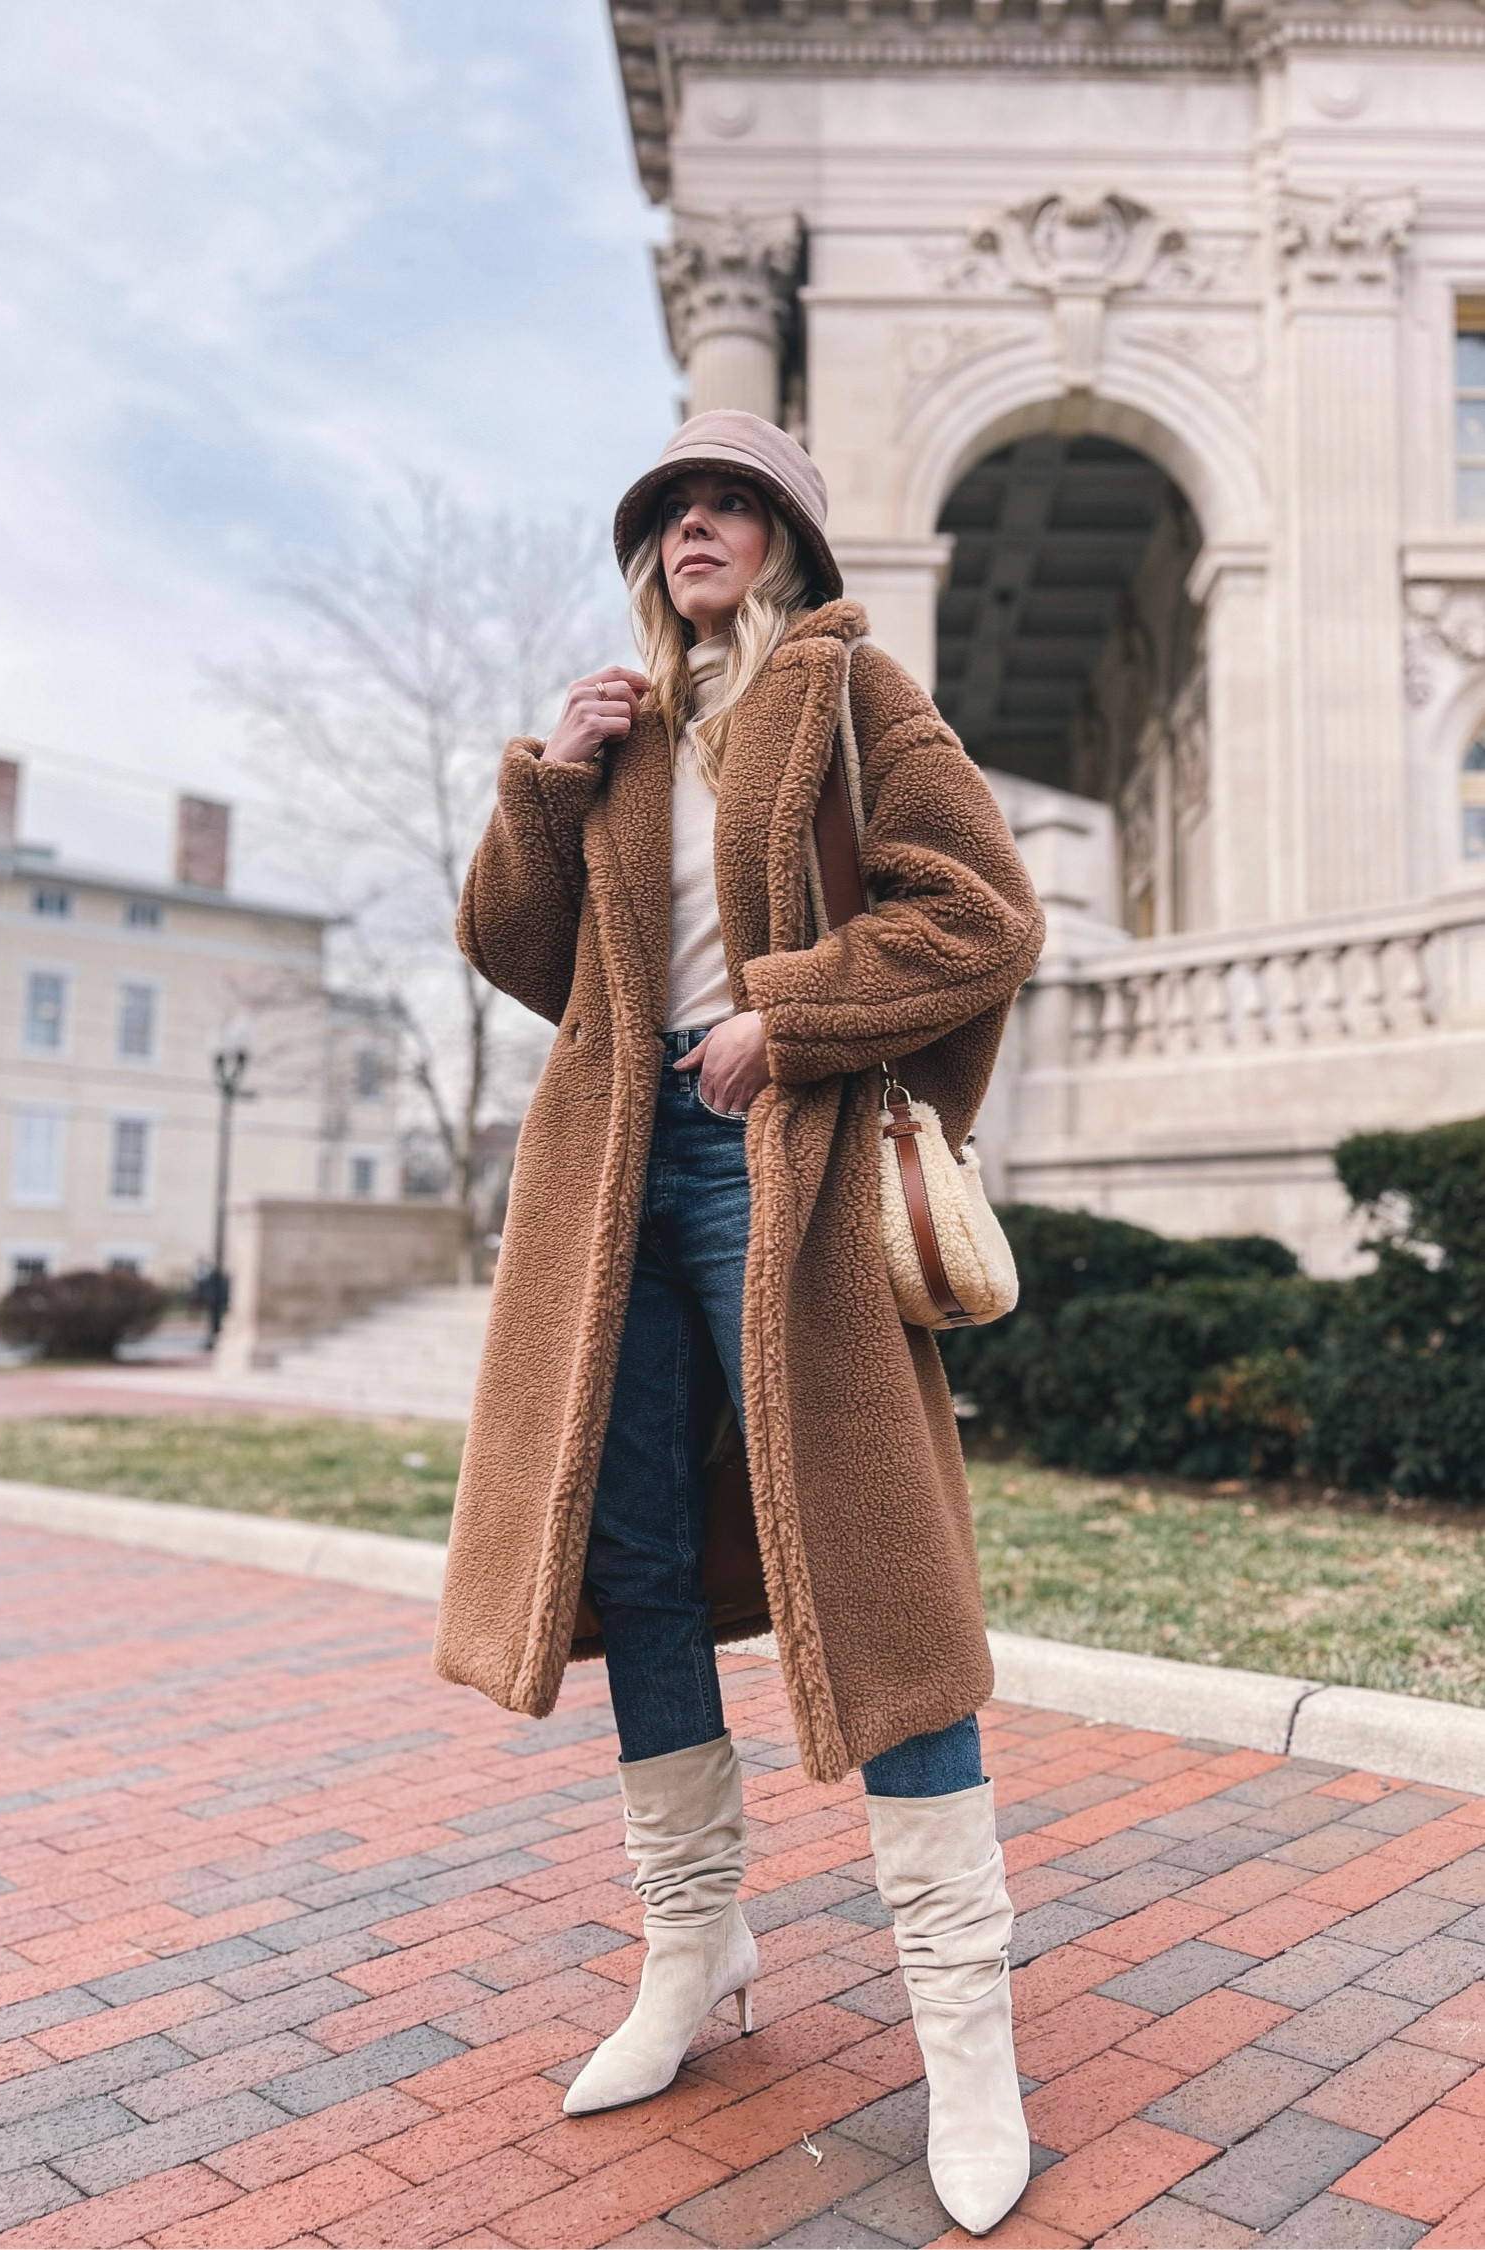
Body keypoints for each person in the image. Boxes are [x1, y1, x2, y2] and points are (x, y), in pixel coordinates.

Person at [435, 410, 1045, 2236]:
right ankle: (694, 1957)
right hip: (615, 1189)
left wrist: (792, 1012)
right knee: (630, 1556)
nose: (699, 526)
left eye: (733, 504)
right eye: (674, 508)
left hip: (788, 1177)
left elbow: (984, 915)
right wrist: (545, 778)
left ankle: (967, 2031)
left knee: (875, 1576)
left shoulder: (857, 694)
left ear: (782, 538)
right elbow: (519, 955)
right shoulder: (618, 728)